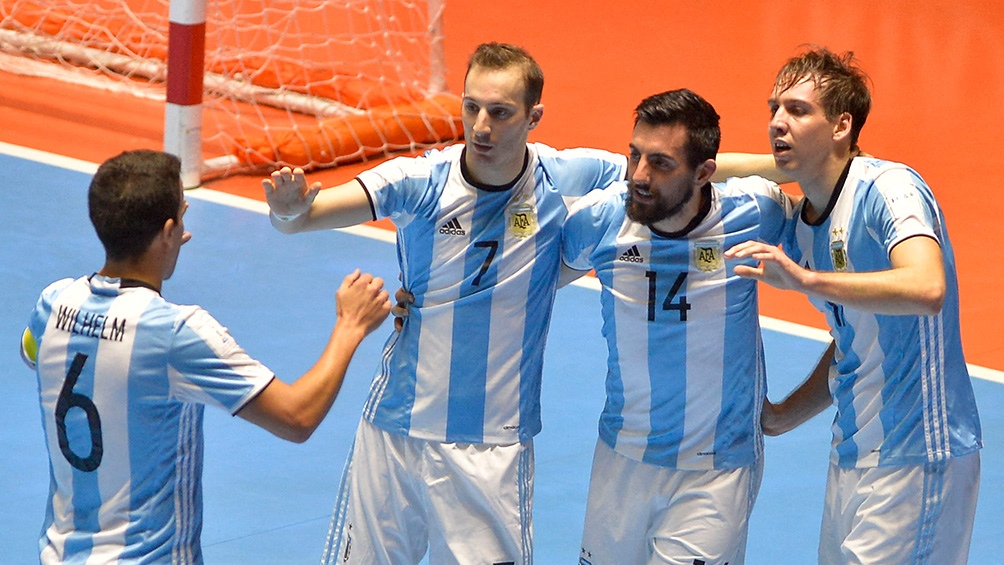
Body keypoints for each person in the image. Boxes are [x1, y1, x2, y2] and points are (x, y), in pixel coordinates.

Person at [262, 42, 626, 564]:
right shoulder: (419, 182)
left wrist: (780, 172)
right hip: (396, 429)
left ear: (533, 117)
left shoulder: (562, 175)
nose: (481, 126)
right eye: (471, 106)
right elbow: (303, 217)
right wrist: (289, 209)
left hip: (493, 444)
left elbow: (672, 171)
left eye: (500, 113)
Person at [19, 149, 391, 564]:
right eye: (182, 214)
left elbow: (32, 352)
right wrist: (350, 325)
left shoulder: (51, 305)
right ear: (167, 232)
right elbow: (296, 418)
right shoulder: (177, 333)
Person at [725, 47, 982, 564]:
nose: (777, 121)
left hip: (918, 456)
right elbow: (855, 345)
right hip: (854, 456)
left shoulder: (890, 189)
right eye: (773, 108)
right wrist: (780, 417)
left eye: (797, 110)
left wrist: (805, 281)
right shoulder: (806, 222)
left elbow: (927, 288)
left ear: (842, 125)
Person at [561, 89, 795, 564]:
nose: (640, 177)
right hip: (621, 458)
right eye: (635, 156)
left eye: (661, 164)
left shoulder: (755, 214)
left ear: (705, 172)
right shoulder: (600, 220)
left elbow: (833, 234)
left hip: (715, 469)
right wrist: (417, 303)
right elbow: (521, 281)